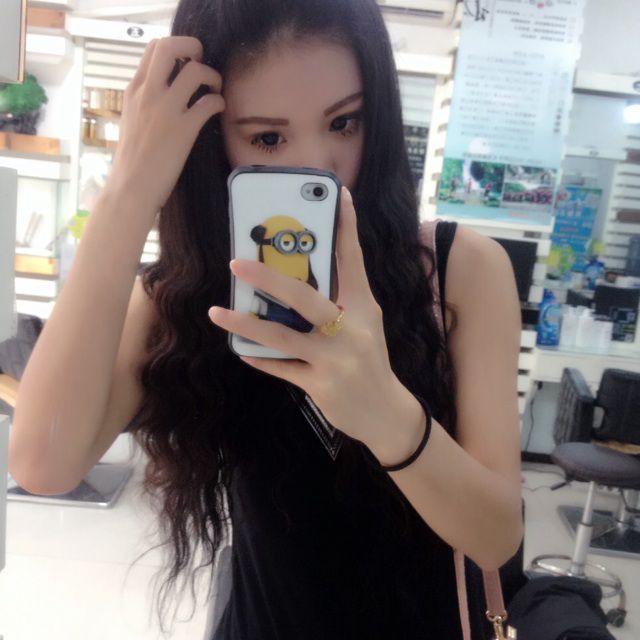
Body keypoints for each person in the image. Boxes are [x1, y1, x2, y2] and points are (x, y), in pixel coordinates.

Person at [8, 0, 524, 638]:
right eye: (268, 138)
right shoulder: (191, 292)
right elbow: (43, 464)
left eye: (345, 122)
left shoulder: (459, 271)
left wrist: (384, 411)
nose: (320, 165)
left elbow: (496, 537)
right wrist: (129, 190)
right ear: (215, 140)